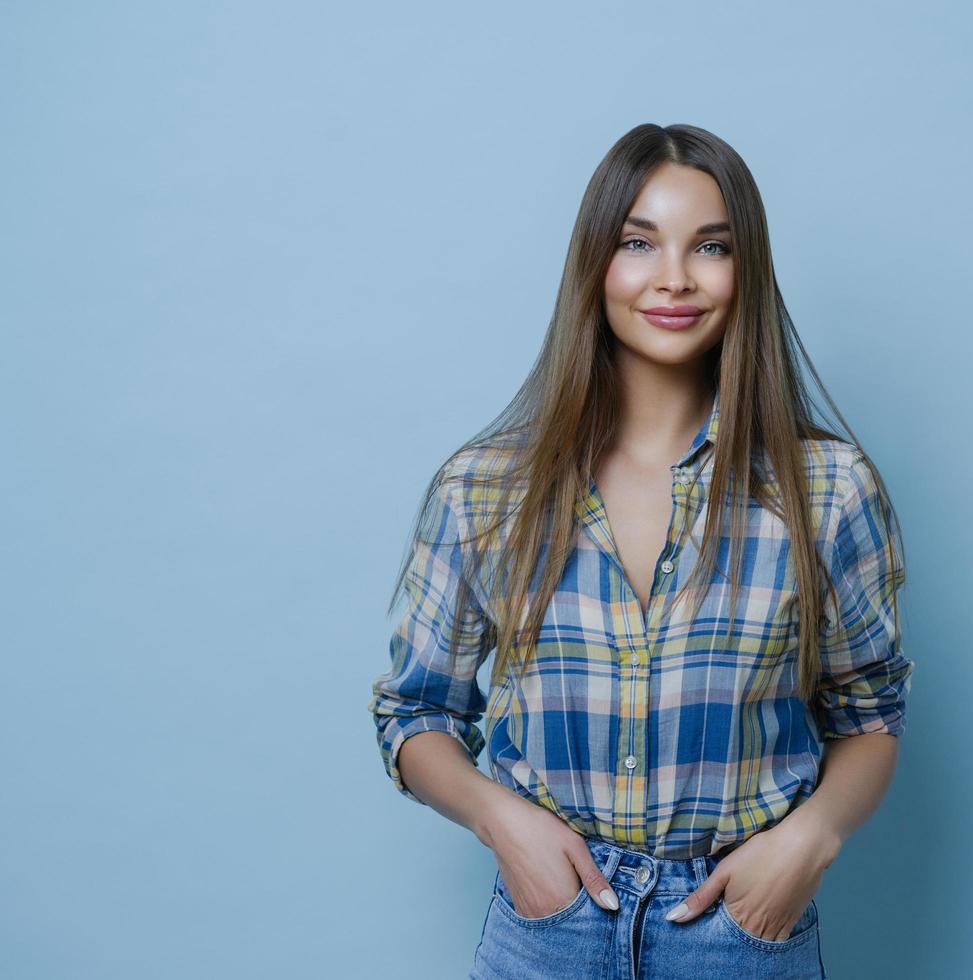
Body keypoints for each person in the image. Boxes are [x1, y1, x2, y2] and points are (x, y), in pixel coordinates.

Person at [367, 122, 915, 980]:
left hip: (741, 932)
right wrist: (500, 821)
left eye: (710, 246)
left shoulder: (826, 491)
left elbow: (869, 715)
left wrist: (806, 845)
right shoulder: (483, 491)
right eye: (637, 242)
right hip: (548, 929)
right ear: (596, 266)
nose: (673, 277)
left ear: (747, 272)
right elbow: (415, 712)